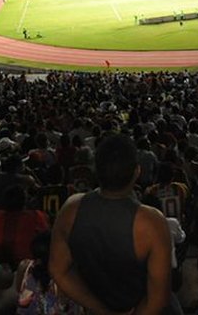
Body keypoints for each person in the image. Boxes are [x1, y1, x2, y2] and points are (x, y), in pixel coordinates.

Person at [50, 134, 172, 315]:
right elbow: (158, 299)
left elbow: (58, 271)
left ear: (95, 170)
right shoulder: (152, 223)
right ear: (137, 172)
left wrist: (100, 310)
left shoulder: (71, 209)